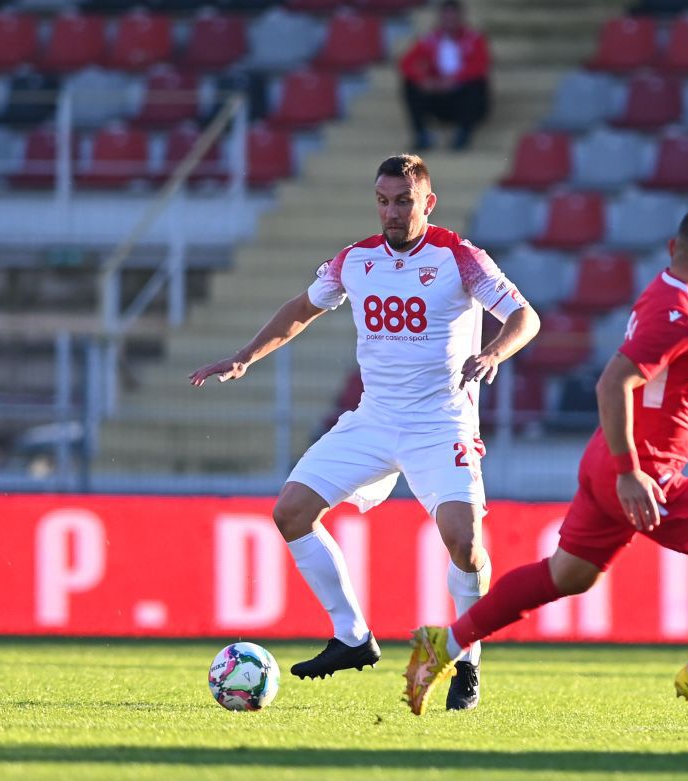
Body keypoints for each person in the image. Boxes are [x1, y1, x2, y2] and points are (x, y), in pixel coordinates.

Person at [403, 207, 688, 722]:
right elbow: (612, 383)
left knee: (566, 574)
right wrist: (629, 471)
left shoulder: (666, 294)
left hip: (607, 464)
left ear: (672, 249)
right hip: (642, 472)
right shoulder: (679, 314)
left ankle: (447, 642)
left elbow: (687, 364)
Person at [190, 154, 540, 712]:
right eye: (383, 201)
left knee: (465, 543)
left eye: (403, 201)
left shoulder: (459, 257)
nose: (392, 212)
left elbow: (525, 316)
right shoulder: (357, 261)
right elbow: (303, 309)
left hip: (440, 420)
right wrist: (244, 357)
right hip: (373, 418)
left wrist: (495, 351)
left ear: (428, 202)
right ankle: (352, 637)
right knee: (290, 512)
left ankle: (467, 661)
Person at [399, 0, 490, 152]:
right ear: (440, 18)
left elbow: (481, 65)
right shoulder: (430, 39)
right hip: (438, 96)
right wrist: (425, 80)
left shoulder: (474, 39)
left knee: (476, 84)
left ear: (460, 17)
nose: (450, 22)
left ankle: (463, 134)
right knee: (410, 83)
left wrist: (455, 80)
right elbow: (406, 63)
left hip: (464, 97)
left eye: (453, 17)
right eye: (446, 17)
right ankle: (421, 135)